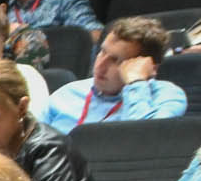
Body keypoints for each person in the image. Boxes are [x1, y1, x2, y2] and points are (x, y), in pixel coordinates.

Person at [41, 15, 187, 132]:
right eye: (102, 52)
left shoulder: (167, 96)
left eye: (115, 60)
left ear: (145, 66)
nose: (100, 65)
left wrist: (136, 83)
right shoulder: (68, 93)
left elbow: (142, 141)